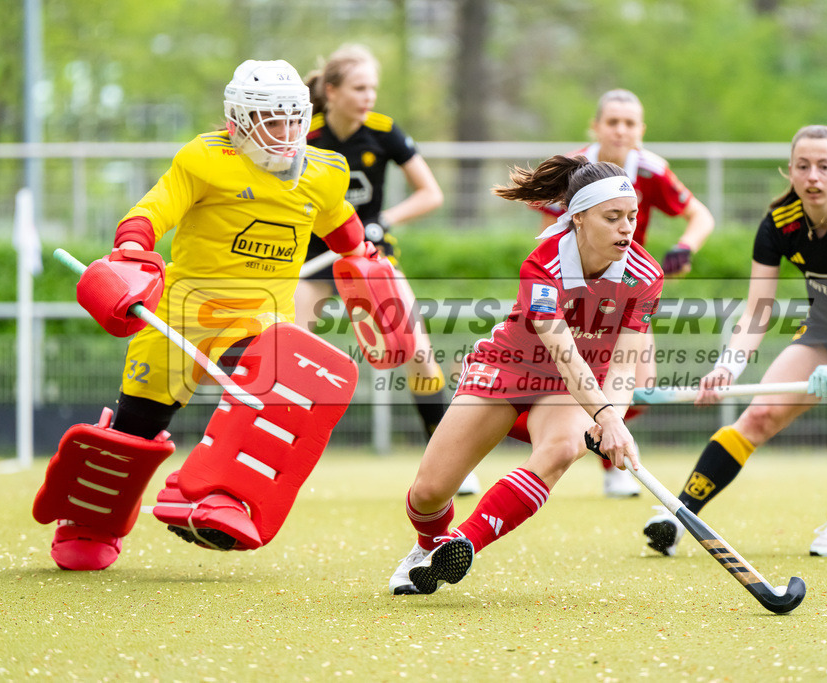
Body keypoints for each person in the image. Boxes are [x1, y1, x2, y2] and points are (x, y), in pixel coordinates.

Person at [32, 59, 376, 571]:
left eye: (291, 119)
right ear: (238, 121)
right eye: (270, 119)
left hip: (260, 320)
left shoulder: (325, 172)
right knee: (135, 428)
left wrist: (364, 259)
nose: (284, 132)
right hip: (182, 313)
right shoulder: (204, 158)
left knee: (276, 392)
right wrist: (130, 250)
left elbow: (341, 225)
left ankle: (220, 496)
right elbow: (153, 210)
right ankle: (91, 522)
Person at [642, 124, 827, 559]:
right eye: (803, 166)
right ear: (790, 172)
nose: (813, 176)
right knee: (760, 415)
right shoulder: (778, 223)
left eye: (824, 166)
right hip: (825, 329)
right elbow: (758, 309)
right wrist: (728, 366)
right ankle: (680, 516)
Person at [387, 154, 664, 595]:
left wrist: (613, 418)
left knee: (562, 447)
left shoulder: (645, 275)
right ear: (578, 219)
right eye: (612, 218)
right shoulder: (543, 265)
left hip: (575, 389)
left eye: (631, 216)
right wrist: (607, 416)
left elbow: (624, 366)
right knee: (427, 493)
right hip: (509, 367)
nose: (627, 228)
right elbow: (562, 351)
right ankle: (428, 547)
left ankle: (463, 543)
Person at [292, 45, 476, 492]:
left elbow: (430, 193)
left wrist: (384, 220)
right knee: (291, 349)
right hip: (314, 259)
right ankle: (279, 454)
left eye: (372, 87)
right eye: (359, 88)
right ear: (331, 92)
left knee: (417, 350)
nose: (369, 96)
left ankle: (451, 465)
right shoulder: (305, 135)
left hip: (368, 256)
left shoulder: (384, 130)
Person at [523, 89, 715, 498]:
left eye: (630, 123)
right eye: (612, 122)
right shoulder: (575, 169)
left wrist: (686, 247)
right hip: (573, 293)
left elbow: (701, 215)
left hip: (627, 294)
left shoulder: (650, 169)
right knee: (571, 375)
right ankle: (562, 447)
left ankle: (605, 449)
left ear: (641, 131)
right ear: (596, 126)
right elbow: (543, 236)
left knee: (639, 386)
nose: (621, 130)